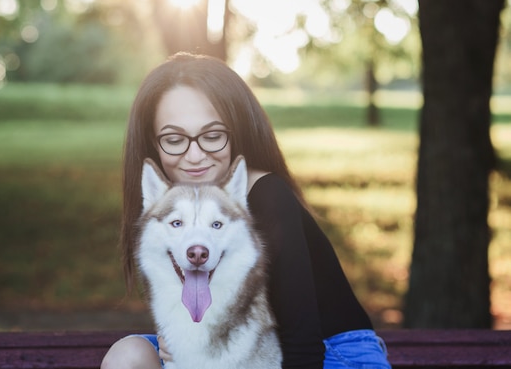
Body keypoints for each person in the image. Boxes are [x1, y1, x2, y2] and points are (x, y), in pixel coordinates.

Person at [101, 52, 391, 369]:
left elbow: (302, 348)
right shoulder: (166, 211)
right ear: (153, 144)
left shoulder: (267, 196)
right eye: (173, 139)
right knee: (128, 357)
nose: (195, 155)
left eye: (212, 136)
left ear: (236, 132)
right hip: (237, 351)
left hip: (328, 354)